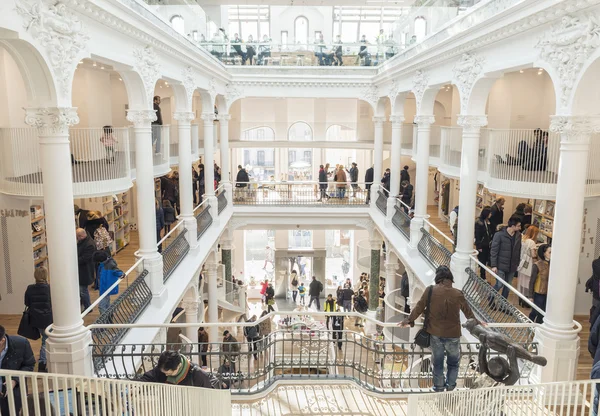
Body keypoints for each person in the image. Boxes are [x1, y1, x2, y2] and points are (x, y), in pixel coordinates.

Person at [400, 266, 477, 392]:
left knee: (438, 364)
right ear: (450, 278)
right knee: (453, 364)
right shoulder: (458, 293)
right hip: (453, 335)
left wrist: (408, 320)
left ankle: (439, 388)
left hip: (435, 333)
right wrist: (478, 323)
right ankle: (450, 387)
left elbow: (419, 307)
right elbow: (468, 313)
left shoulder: (430, 290)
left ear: (438, 277)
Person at [0, 325, 36, 415]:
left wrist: (14, 380)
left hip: (13, 393)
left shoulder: (21, 344)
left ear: (2, 340)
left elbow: (29, 365)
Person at [24, 267, 52, 372]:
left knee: (44, 340)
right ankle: (42, 363)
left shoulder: (30, 288)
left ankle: (43, 361)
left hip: (35, 318)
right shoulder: (49, 288)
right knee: (45, 341)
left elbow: (27, 303)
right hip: (48, 319)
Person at [489, 216, 522, 305]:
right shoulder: (499, 235)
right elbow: (494, 250)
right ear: (513, 226)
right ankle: (491, 297)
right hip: (501, 265)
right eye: (518, 226)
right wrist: (494, 265)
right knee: (499, 284)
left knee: (508, 286)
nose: (520, 228)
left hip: (512, 265)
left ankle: (503, 304)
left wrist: (517, 263)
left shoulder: (518, 236)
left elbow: (518, 250)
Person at [140, 350, 216, 388]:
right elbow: (148, 377)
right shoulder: (163, 369)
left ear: (179, 366)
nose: (166, 375)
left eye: (169, 373)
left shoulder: (196, 374)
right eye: (164, 372)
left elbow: (207, 393)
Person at [94, 251, 124, 315]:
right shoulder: (103, 265)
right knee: (107, 304)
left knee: (101, 306)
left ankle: (106, 321)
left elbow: (116, 271)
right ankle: (109, 317)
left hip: (105, 288)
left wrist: (121, 274)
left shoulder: (109, 265)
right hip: (103, 288)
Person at [528, 244, 551, 323]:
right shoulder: (537, 265)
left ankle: (539, 329)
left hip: (549, 293)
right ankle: (530, 326)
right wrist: (530, 295)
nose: (551, 254)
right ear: (544, 253)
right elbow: (532, 281)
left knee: (544, 313)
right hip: (539, 293)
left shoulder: (554, 265)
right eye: (549, 252)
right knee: (535, 312)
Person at [518, 225, 539, 306]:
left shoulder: (523, 239)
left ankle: (521, 298)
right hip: (529, 263)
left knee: (522, 281)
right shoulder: (532, 242)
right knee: (529, 282)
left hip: (522, 262)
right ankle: (527, 300)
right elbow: (533, 255)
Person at [76, 228, 95, 310]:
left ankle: (88, 307)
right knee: (81, 290)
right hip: (82, 270)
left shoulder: (89, 244)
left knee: (83, 290)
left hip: (85, 271)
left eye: (77, 237)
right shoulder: (84, 241)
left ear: (81, 236)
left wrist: (73, 261)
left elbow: (85, 258)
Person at [474, 207, 494, 280]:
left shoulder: (488, 222)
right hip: (482, 245)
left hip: (487, 245)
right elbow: (478, 235)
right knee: (482, 261)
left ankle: (483, 276)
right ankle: (483, 277)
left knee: (485, 260)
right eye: (490, 213)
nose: (491, 214)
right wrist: (479, 246)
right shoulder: (479, 223)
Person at [587, 258, 600, 324]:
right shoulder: (596, 263)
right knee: (595, 312)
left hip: (596, 292)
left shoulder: (595, 262)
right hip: (597, 293)